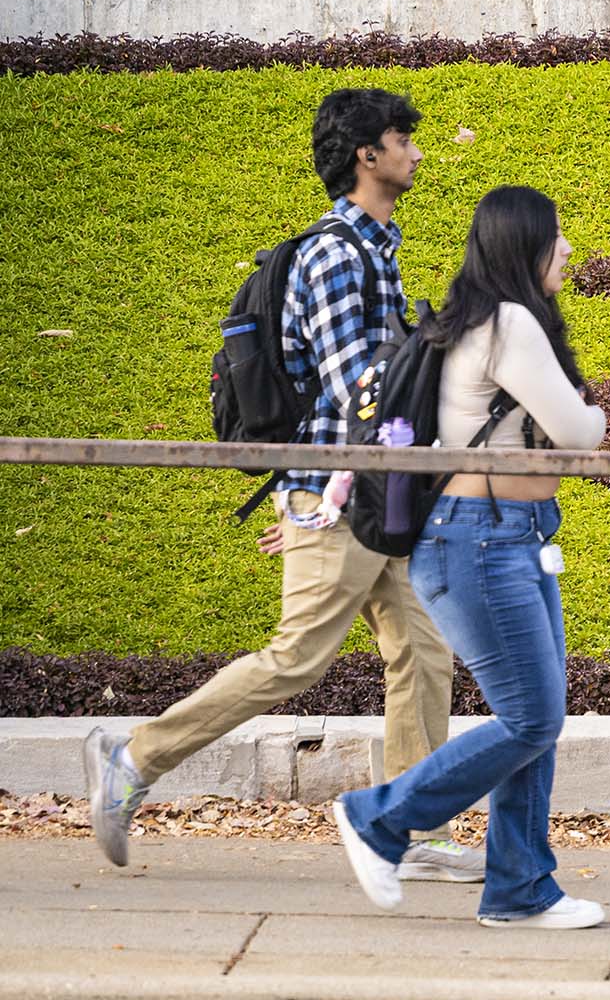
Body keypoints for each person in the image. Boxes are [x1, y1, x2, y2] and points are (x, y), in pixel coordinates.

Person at [84, 89, 482, 883]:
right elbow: (358, 386)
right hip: (341, 495)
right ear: (367, 156)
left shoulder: (377, 248)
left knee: (424, 653)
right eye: (404, 139)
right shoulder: (337, 254)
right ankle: (133, 755)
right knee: (298, 657)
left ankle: (408, 826)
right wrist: (449, 356)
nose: (416, 152)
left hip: (377, 492)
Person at [329, 185, 608, 928]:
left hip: (508, 534)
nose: (569, 249)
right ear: (524, 243)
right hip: (478, 539)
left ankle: (520, 889)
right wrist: (598, 412)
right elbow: (579, 433)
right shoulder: (507, 320)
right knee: (531, 718)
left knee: (537, 720)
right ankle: (379, 818)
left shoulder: (485, 318)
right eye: (557, 236)